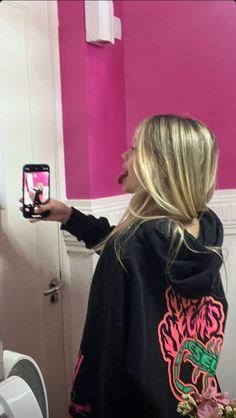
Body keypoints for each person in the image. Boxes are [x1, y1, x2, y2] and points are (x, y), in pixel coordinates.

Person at [31, 115, 228, 418]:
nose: (124, 154)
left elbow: (103, 355)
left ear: (160, 166)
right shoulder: (202, 235)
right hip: (190, 403)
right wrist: (69, 215)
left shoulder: (130, 247)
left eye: (135, 148)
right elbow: (139, 252)